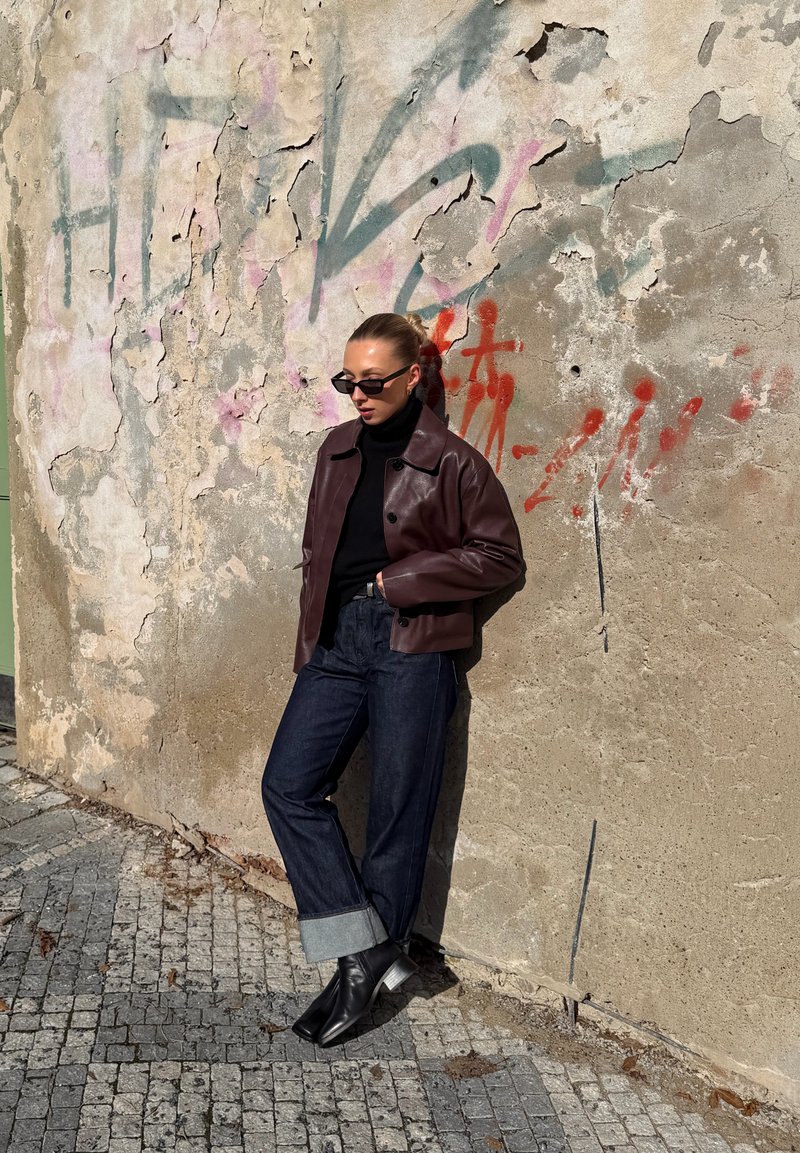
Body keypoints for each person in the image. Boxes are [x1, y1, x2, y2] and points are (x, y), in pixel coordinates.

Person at [261, 312, 524, 1046]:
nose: (359, 395)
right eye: (348, 381)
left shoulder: (453, 462)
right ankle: (368, 947)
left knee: (397, 814)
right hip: (341, 641)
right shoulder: (337, 448)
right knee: (287, 784)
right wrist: (318, 629)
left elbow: (499, 556)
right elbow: (320, 552)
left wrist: (399, 580)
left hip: (413, 642)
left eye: (374, 381)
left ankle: (359, 967)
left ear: (415, 377)